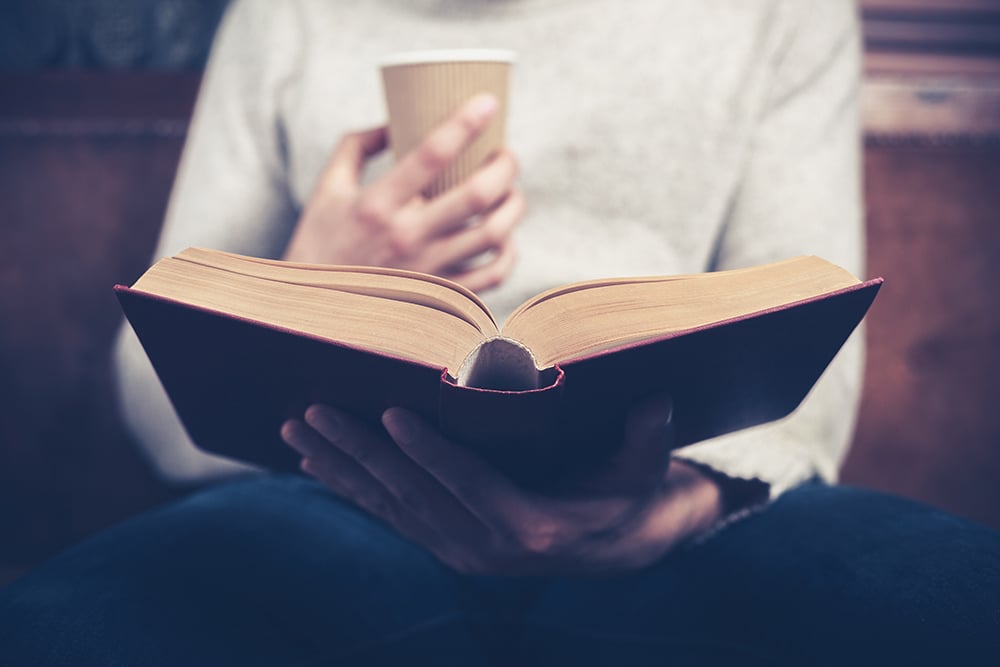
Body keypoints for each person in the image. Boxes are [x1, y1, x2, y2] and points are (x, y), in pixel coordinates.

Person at [2, 1, 998, 664]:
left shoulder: (778, 12)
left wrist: (673, 513)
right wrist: (320, 269)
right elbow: (151, 402)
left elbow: (811, 365)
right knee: (58, 630)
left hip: (678, 502)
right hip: (342, 497)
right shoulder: (286, 13)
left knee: (960, 603)